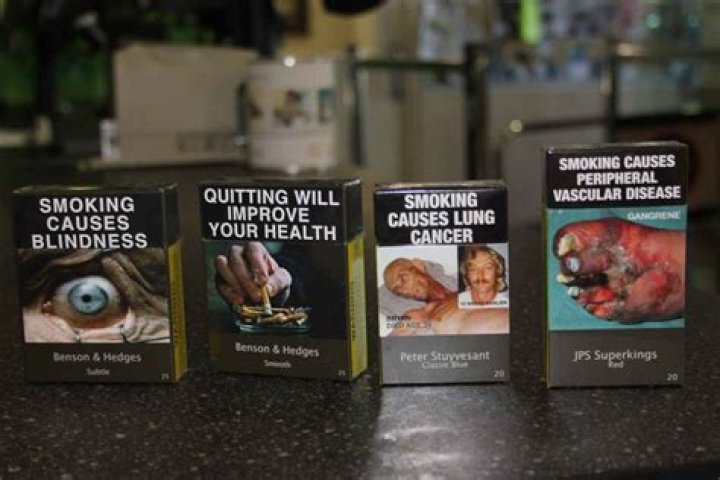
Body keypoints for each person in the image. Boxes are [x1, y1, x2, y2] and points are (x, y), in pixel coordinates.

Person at [382, 258, 509, 336]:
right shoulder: (421, 314)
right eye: (397, 290)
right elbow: (391, 346)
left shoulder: (471, 289)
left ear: (418, 265)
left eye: (403, 278)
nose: (403, 290)